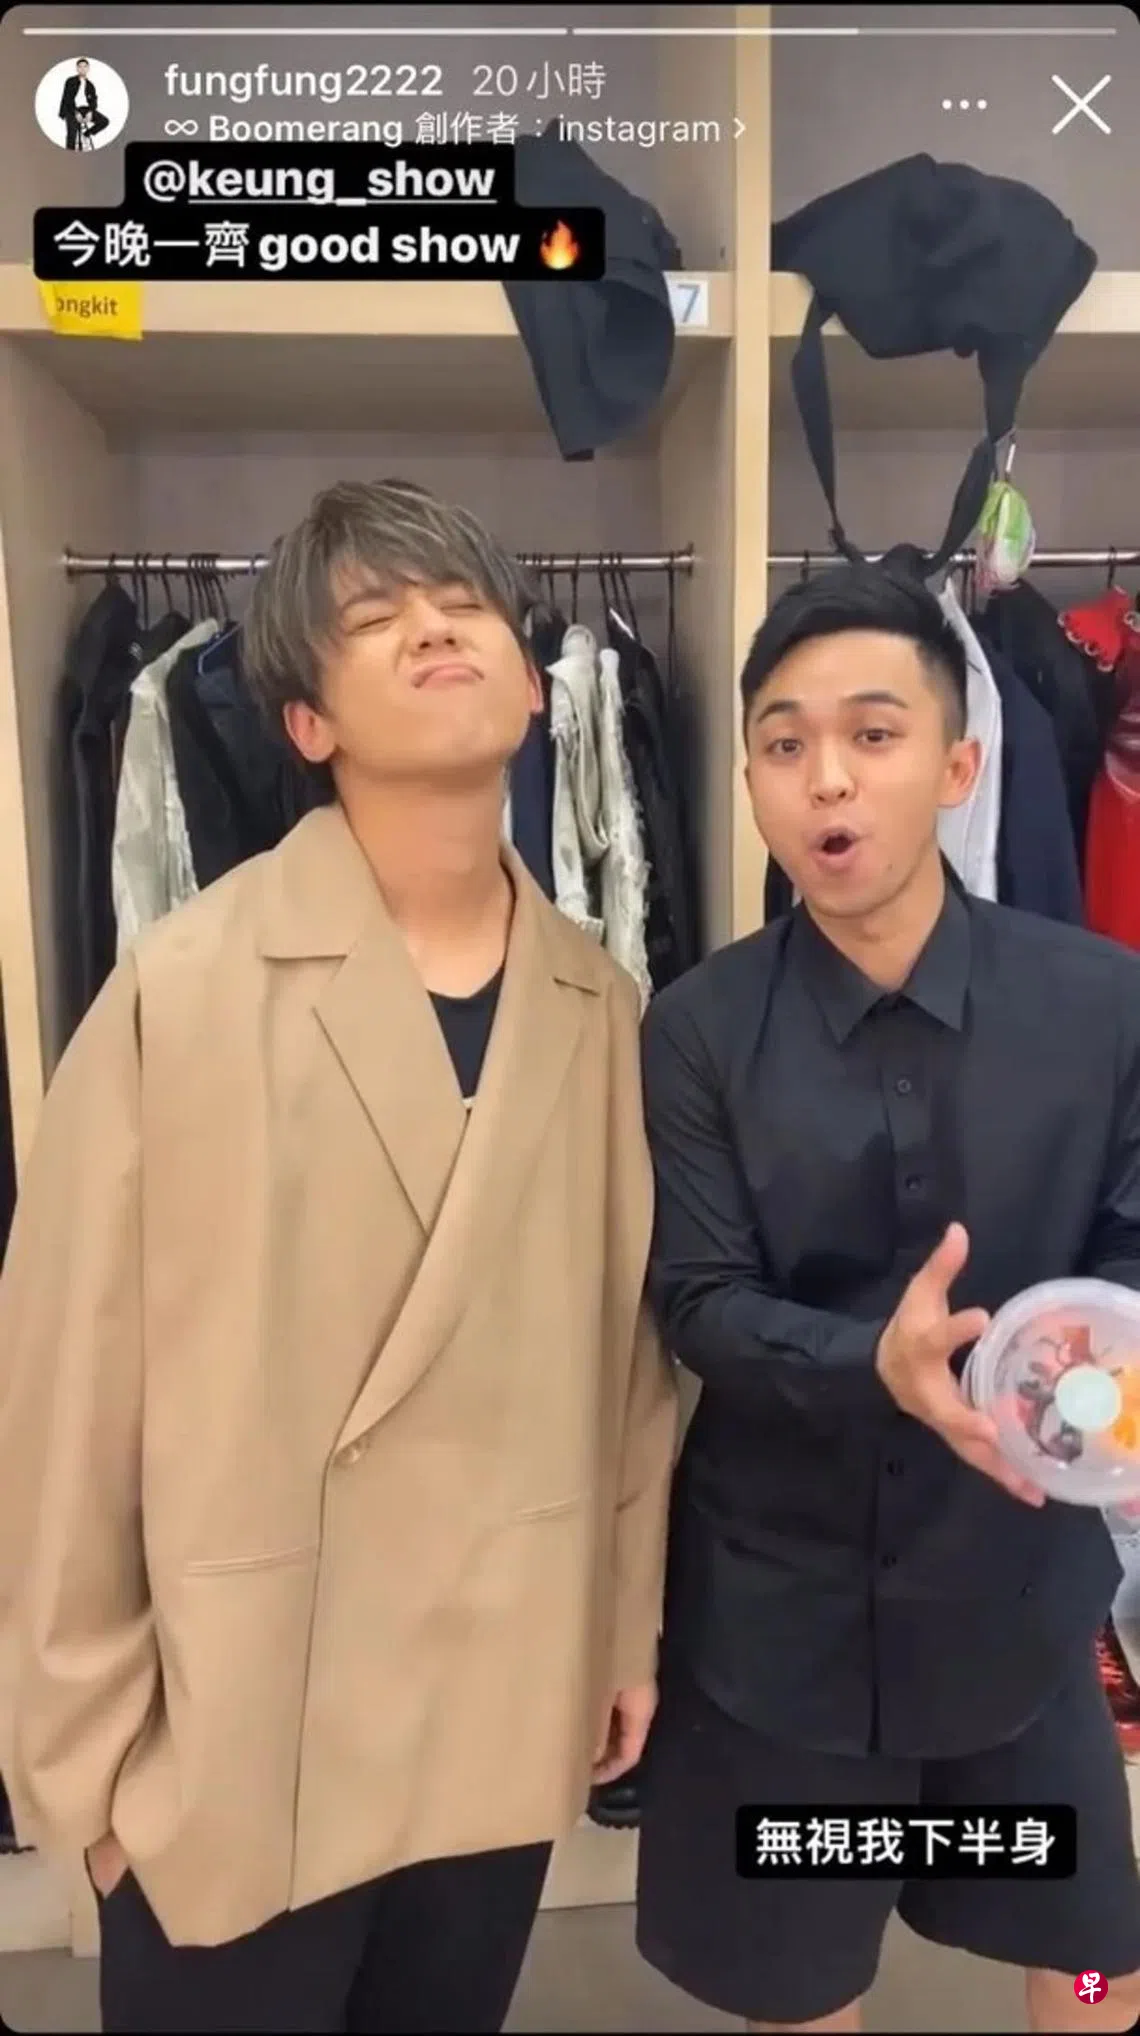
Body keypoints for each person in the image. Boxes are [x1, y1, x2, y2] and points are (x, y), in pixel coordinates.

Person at [0, 478, 677, 2034]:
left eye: (465, 605)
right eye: (375, 619)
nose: (434, 630)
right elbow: (65, 1398)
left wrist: (617, 1626)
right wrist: (88, 1767)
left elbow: (630, 1368)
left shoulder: (600, 1007)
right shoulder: (186, 989)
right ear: (306, 722)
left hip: (497, 1701)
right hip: (243, 1725)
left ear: (533, 684)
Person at [634, 560, 1140, 2035]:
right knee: (802, 1986)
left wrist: (1082, 1363)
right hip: (783, 1617)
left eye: (873, 733)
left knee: (1095, 1952)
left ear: (960, 766)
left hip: (1016, 1594)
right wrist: (876, 1361)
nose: (828, 779)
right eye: (785, 744)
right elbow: (699, 1298)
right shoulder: (697, 1028)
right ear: (750, 781)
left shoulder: (1102, 1001)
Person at [59, 58, 109, 150]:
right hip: (71, 109)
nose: (82, 69)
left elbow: (94, 101)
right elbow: (67, 98)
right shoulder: (70, 81)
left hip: (85, 109)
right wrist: (76, 112)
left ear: (88, 68)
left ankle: (86, 134)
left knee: (104, 121)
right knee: (72, 135)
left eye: (85, 67)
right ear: (77, 69)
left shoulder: (90, 85)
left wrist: (90, 112)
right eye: (80, 67)